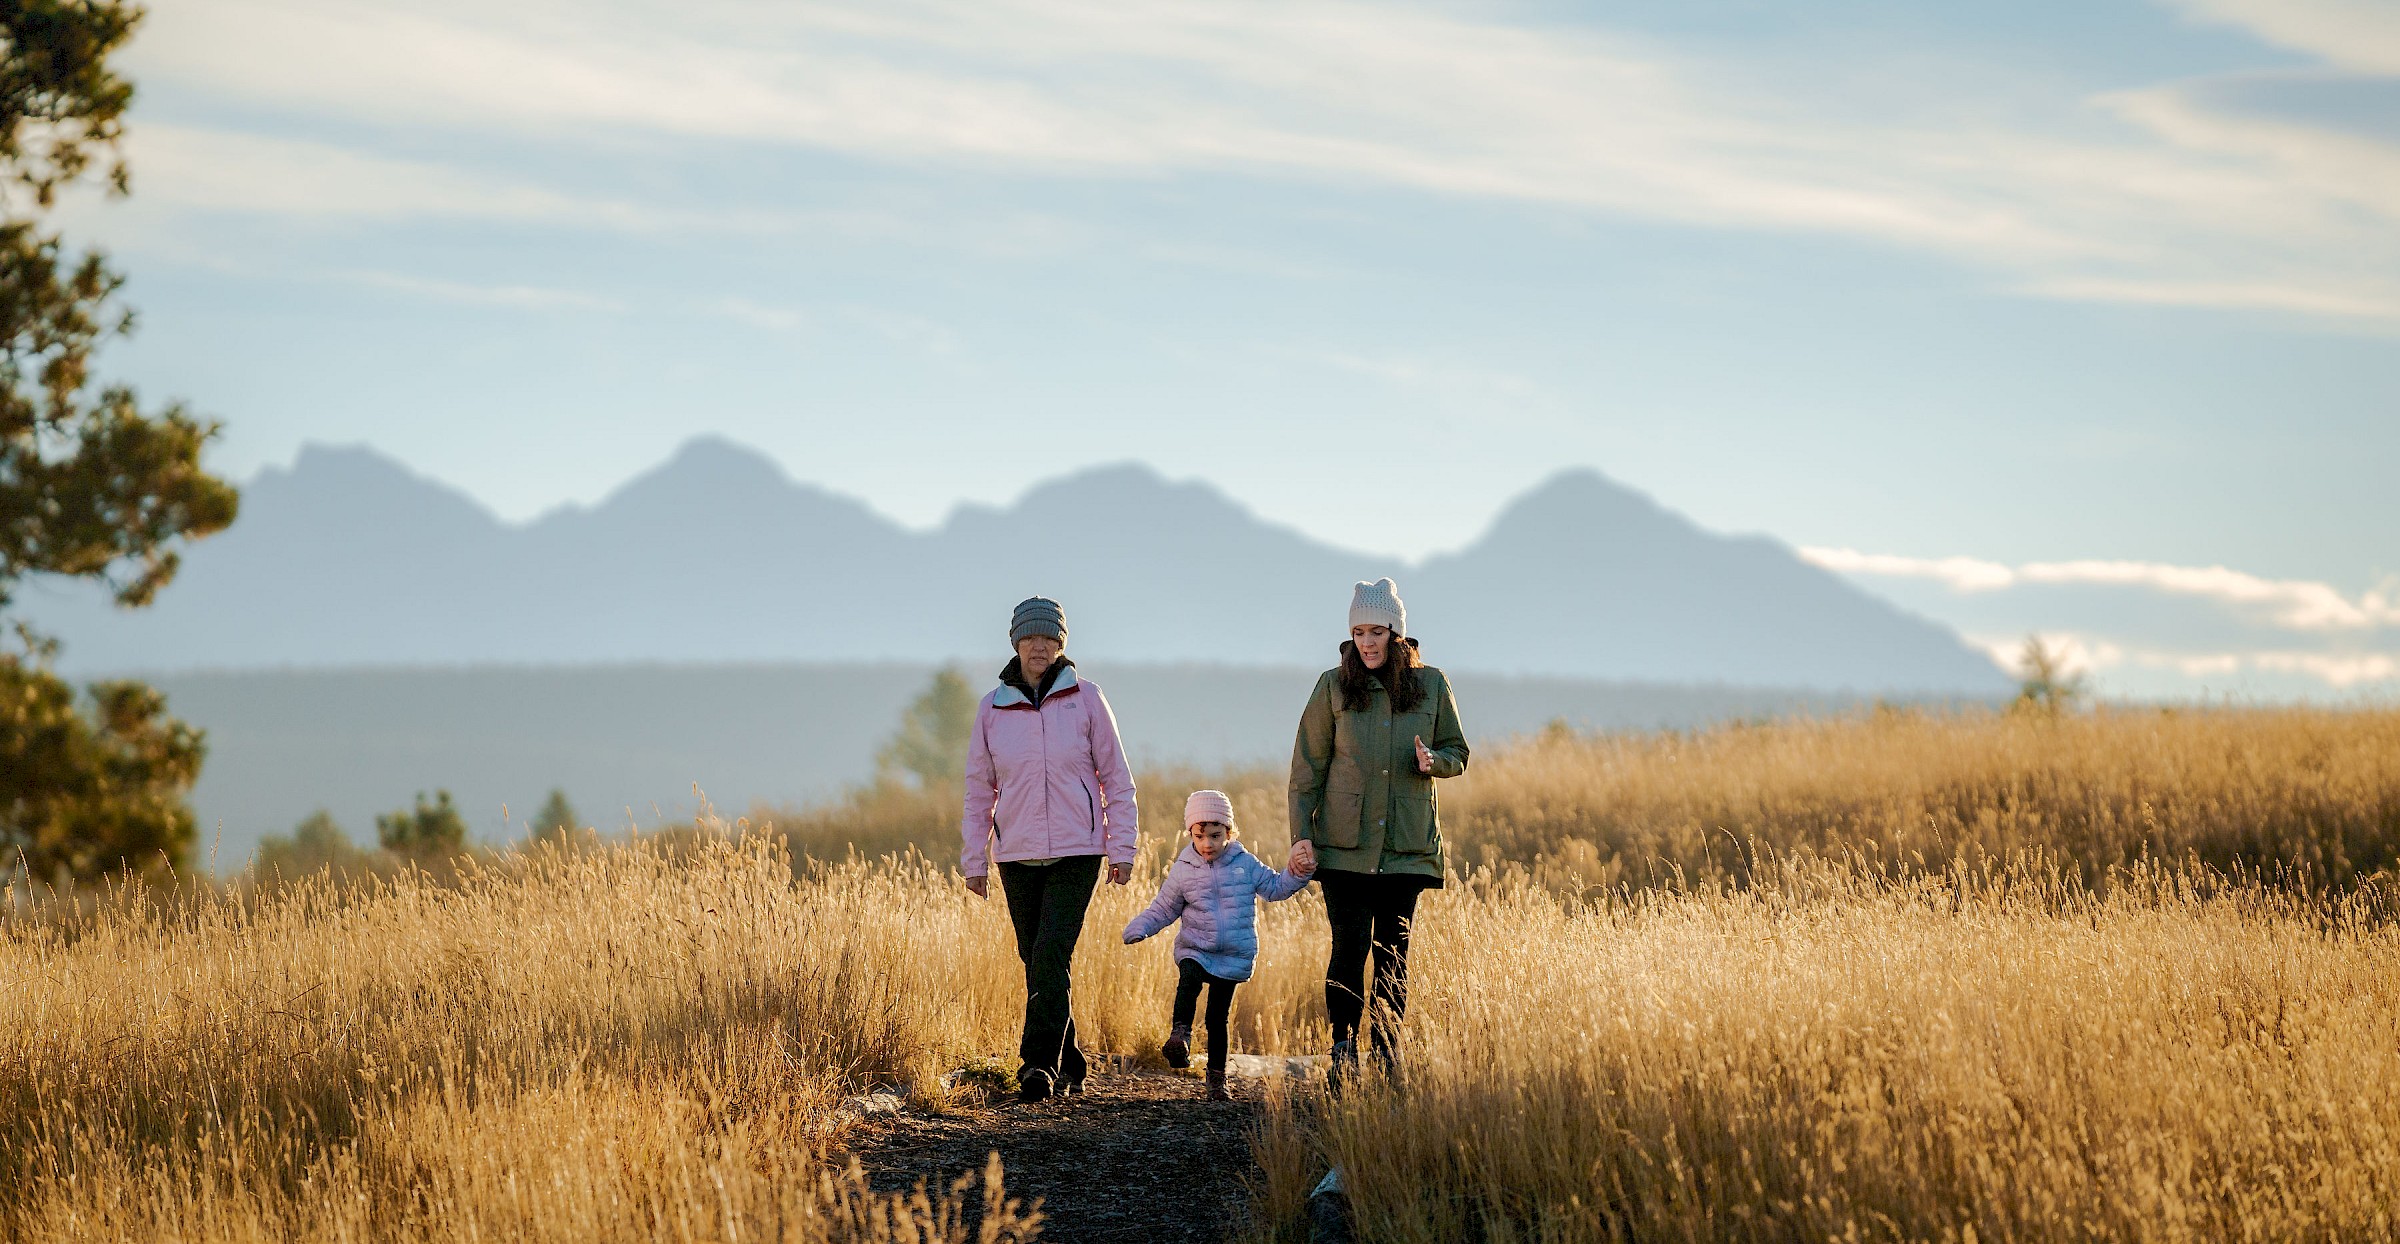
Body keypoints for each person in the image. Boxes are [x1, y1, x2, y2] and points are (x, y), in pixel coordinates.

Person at [1287, 577, 1469, 1084]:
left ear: (1397, 633)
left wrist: (1435, 761)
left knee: (1393, 953)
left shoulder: (1431, 684)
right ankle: (1343, 1056)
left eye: (1376, 631)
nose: (1367, 642)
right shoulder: (1332, 685)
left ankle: (1388, 1059)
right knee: (1348, 948)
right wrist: (1302, 836)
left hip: (1405, 848)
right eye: (1358, 631)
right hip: (1343, 847)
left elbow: (1459, 752)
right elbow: (1307, 769)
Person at [961, 596, 1139, 1103]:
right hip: (1015, 853)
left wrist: (1121, 847)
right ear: (1016, 643)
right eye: (1030, 638)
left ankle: (1036, 1065)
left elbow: (1116, 778)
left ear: (1061, 644)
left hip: (1077, 851)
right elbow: (979, 788)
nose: (1039, 647)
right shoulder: (992, 708)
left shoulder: (1086, 698)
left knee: (1049, 955)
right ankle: (1073, 1060)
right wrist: (975, 860)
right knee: (1037, 961)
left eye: (1049, 638)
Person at [1122, 789, 1318, 1100]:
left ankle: (1216, 1080)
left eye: (1215, 836)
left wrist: (1299, 875)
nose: (1207, 844)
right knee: (1187, 980)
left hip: (1232, 954)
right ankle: (1180, 1036)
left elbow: (1275, 888)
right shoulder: (1184, 867)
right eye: (1200, 836)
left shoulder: (1244, 863)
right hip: (1196, 946)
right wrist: (1141, 928)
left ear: (1229, 832)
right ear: (1191, 834)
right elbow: (1164, 908)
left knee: (1217, 1018)